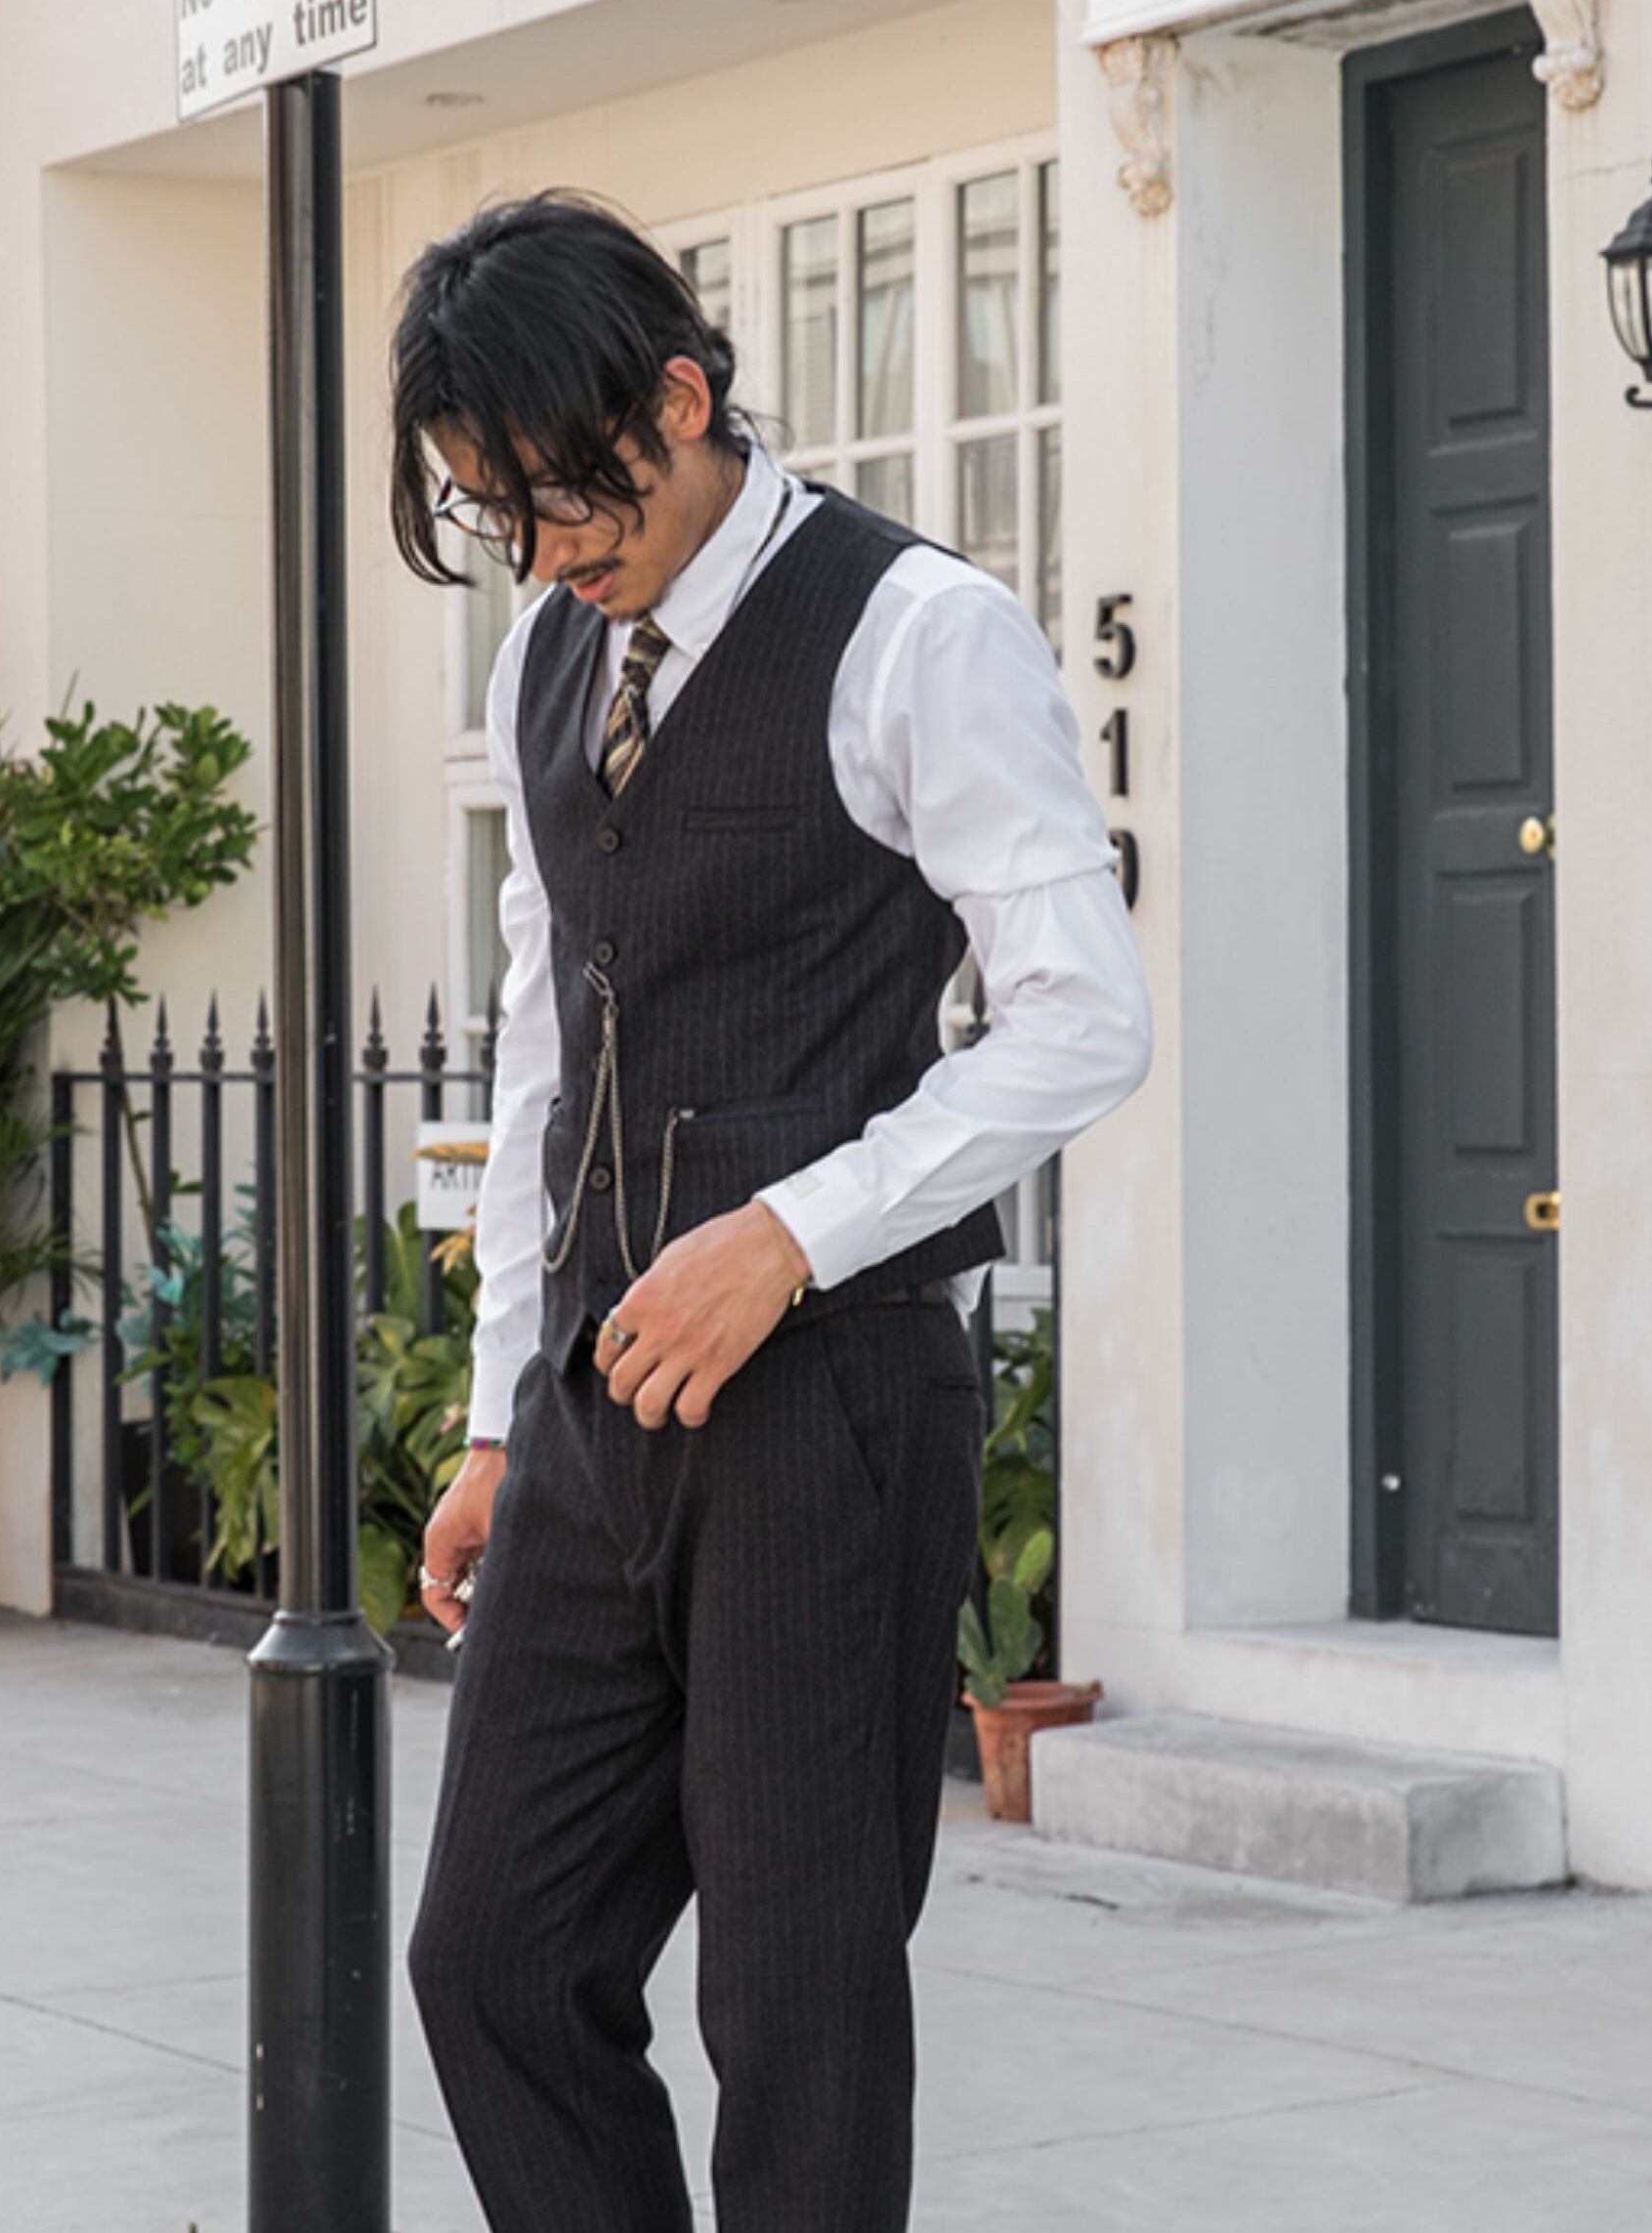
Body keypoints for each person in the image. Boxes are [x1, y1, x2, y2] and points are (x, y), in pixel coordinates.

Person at [390, 190, 1150, 2232]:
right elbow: (543, 1047)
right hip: (593, 1417)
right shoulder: (551, 658)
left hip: (827, 1417)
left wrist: (792, 1231)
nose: (543, 553)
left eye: (559, 498)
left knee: (795, 2013)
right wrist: (501, 1416)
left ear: (679, 399)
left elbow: (1085, 1018)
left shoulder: (917, 631)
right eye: (496, 512)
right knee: (493, 1960)